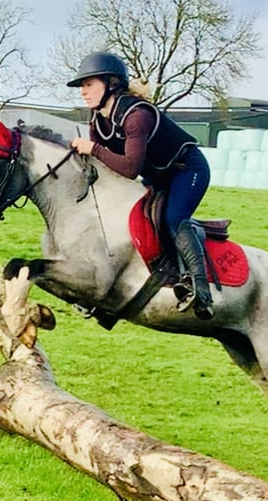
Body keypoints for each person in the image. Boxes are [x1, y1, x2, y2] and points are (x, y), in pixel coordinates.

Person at [68, 51, 214, 320]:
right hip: (159, 176)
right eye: (82, 86)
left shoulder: (137, 115)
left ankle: (201, 289)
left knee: (173, 217)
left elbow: (130, 168)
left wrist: (94, 149)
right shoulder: (97, 120)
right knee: (128, 220)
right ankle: (107, 293)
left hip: (188, 170)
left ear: (111, 83)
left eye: (89, 84)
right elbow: (105, 169)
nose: (83, 92)